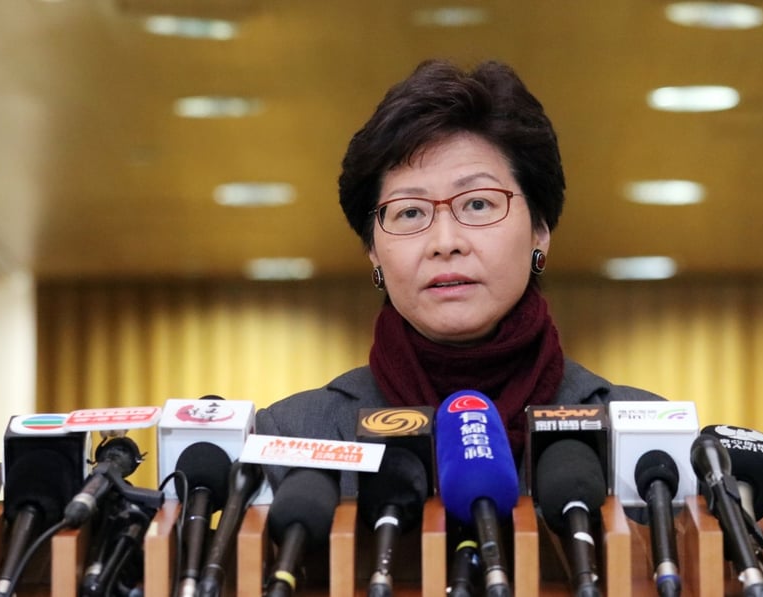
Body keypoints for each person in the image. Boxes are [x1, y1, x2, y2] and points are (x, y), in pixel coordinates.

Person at [255, 58, 664, 496]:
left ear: (540, 232)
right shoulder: (295, 436)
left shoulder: (641, 432)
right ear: (372, 250)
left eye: (478, 204)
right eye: (411, 211)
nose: (445, 241)